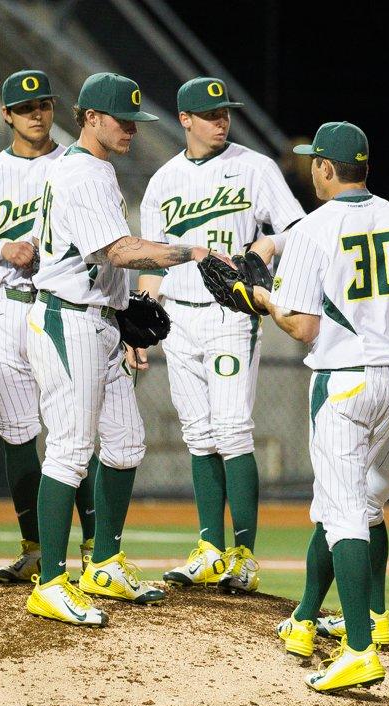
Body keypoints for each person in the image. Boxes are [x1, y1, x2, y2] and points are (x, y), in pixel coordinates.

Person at [251, 123, 389, 692]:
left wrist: (263, 297)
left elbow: (302, 327)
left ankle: (360, 649)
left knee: (343, 511)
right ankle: (305, 620)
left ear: (325, 168)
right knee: (348, 500)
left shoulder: (314, 230)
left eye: (312, 163)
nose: (310, 170)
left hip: (341, 384)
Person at [24, 72, 230, 627]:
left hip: (99, 320)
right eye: (123, 120)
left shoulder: (91, 167)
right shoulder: (83, 173)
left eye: (136, 122)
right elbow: (117, 251)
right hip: (68, 319)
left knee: (125, 443)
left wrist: (122, 311)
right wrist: (188, 252)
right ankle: (49, 582)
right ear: (90, 117)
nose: (132, 130)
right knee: (69, 449)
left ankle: (105, 563)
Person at [136, 76, 304, 593]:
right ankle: (210, 547)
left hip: (231, 312)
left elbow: (298, 227)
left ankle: (245, 556)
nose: (221, 120)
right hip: (179, 319)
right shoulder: (163, 180)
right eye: (210, 114)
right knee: (199, 434)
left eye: (225, 112)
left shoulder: (255, 167)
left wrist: (269, 247)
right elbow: (150, 258)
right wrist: (142, 322)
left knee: (232, 430)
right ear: (184, 119)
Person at [0, 70, 96, 586]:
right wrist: (0, 250)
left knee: (72, 432)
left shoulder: (79, 166)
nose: (38, 113)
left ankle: (96, 552)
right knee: (17, 434)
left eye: (45, 104)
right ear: (6, 114)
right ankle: (35, 548)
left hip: (64, 305)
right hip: (6, 308)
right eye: (25, 106)